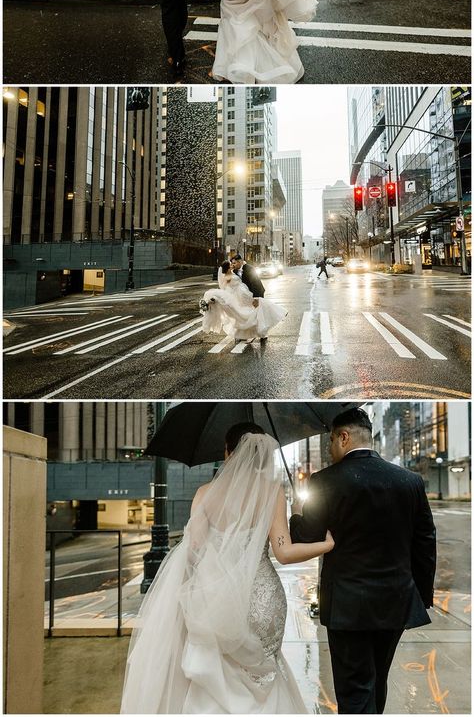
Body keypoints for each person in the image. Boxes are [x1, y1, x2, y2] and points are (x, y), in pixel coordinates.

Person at [121, 424, 335, 713]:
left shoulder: (204, 494)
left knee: (216, 674)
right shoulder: (272, 491)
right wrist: (326, 545)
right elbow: (283, 552)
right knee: (262, 677)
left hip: (215, 601)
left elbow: (194, 551)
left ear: (228, 452)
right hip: (263, 601)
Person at [290, 408, 437, 715]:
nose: (330, 448)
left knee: (355, 688)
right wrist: (419, 599)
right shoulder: (409, 481)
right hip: (396, 602)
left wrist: (295, 514)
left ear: (344, 437)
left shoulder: (325, 481)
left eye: (331, 440)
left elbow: (308, 537)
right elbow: (425, 543)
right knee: (377, 680)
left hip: (347, 605)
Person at [200, 260, 285, 342]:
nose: (232, 265)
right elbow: (225, 288)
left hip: (244, 294)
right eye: (230, 265)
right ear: (227, 268)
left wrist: (241, 264)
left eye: (232, 263)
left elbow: (240, 270)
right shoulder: (228, 277)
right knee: (246, 313)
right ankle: (260, 331)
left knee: (250, 311)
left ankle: (258, 331)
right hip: (240, 296)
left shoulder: (233, 272)